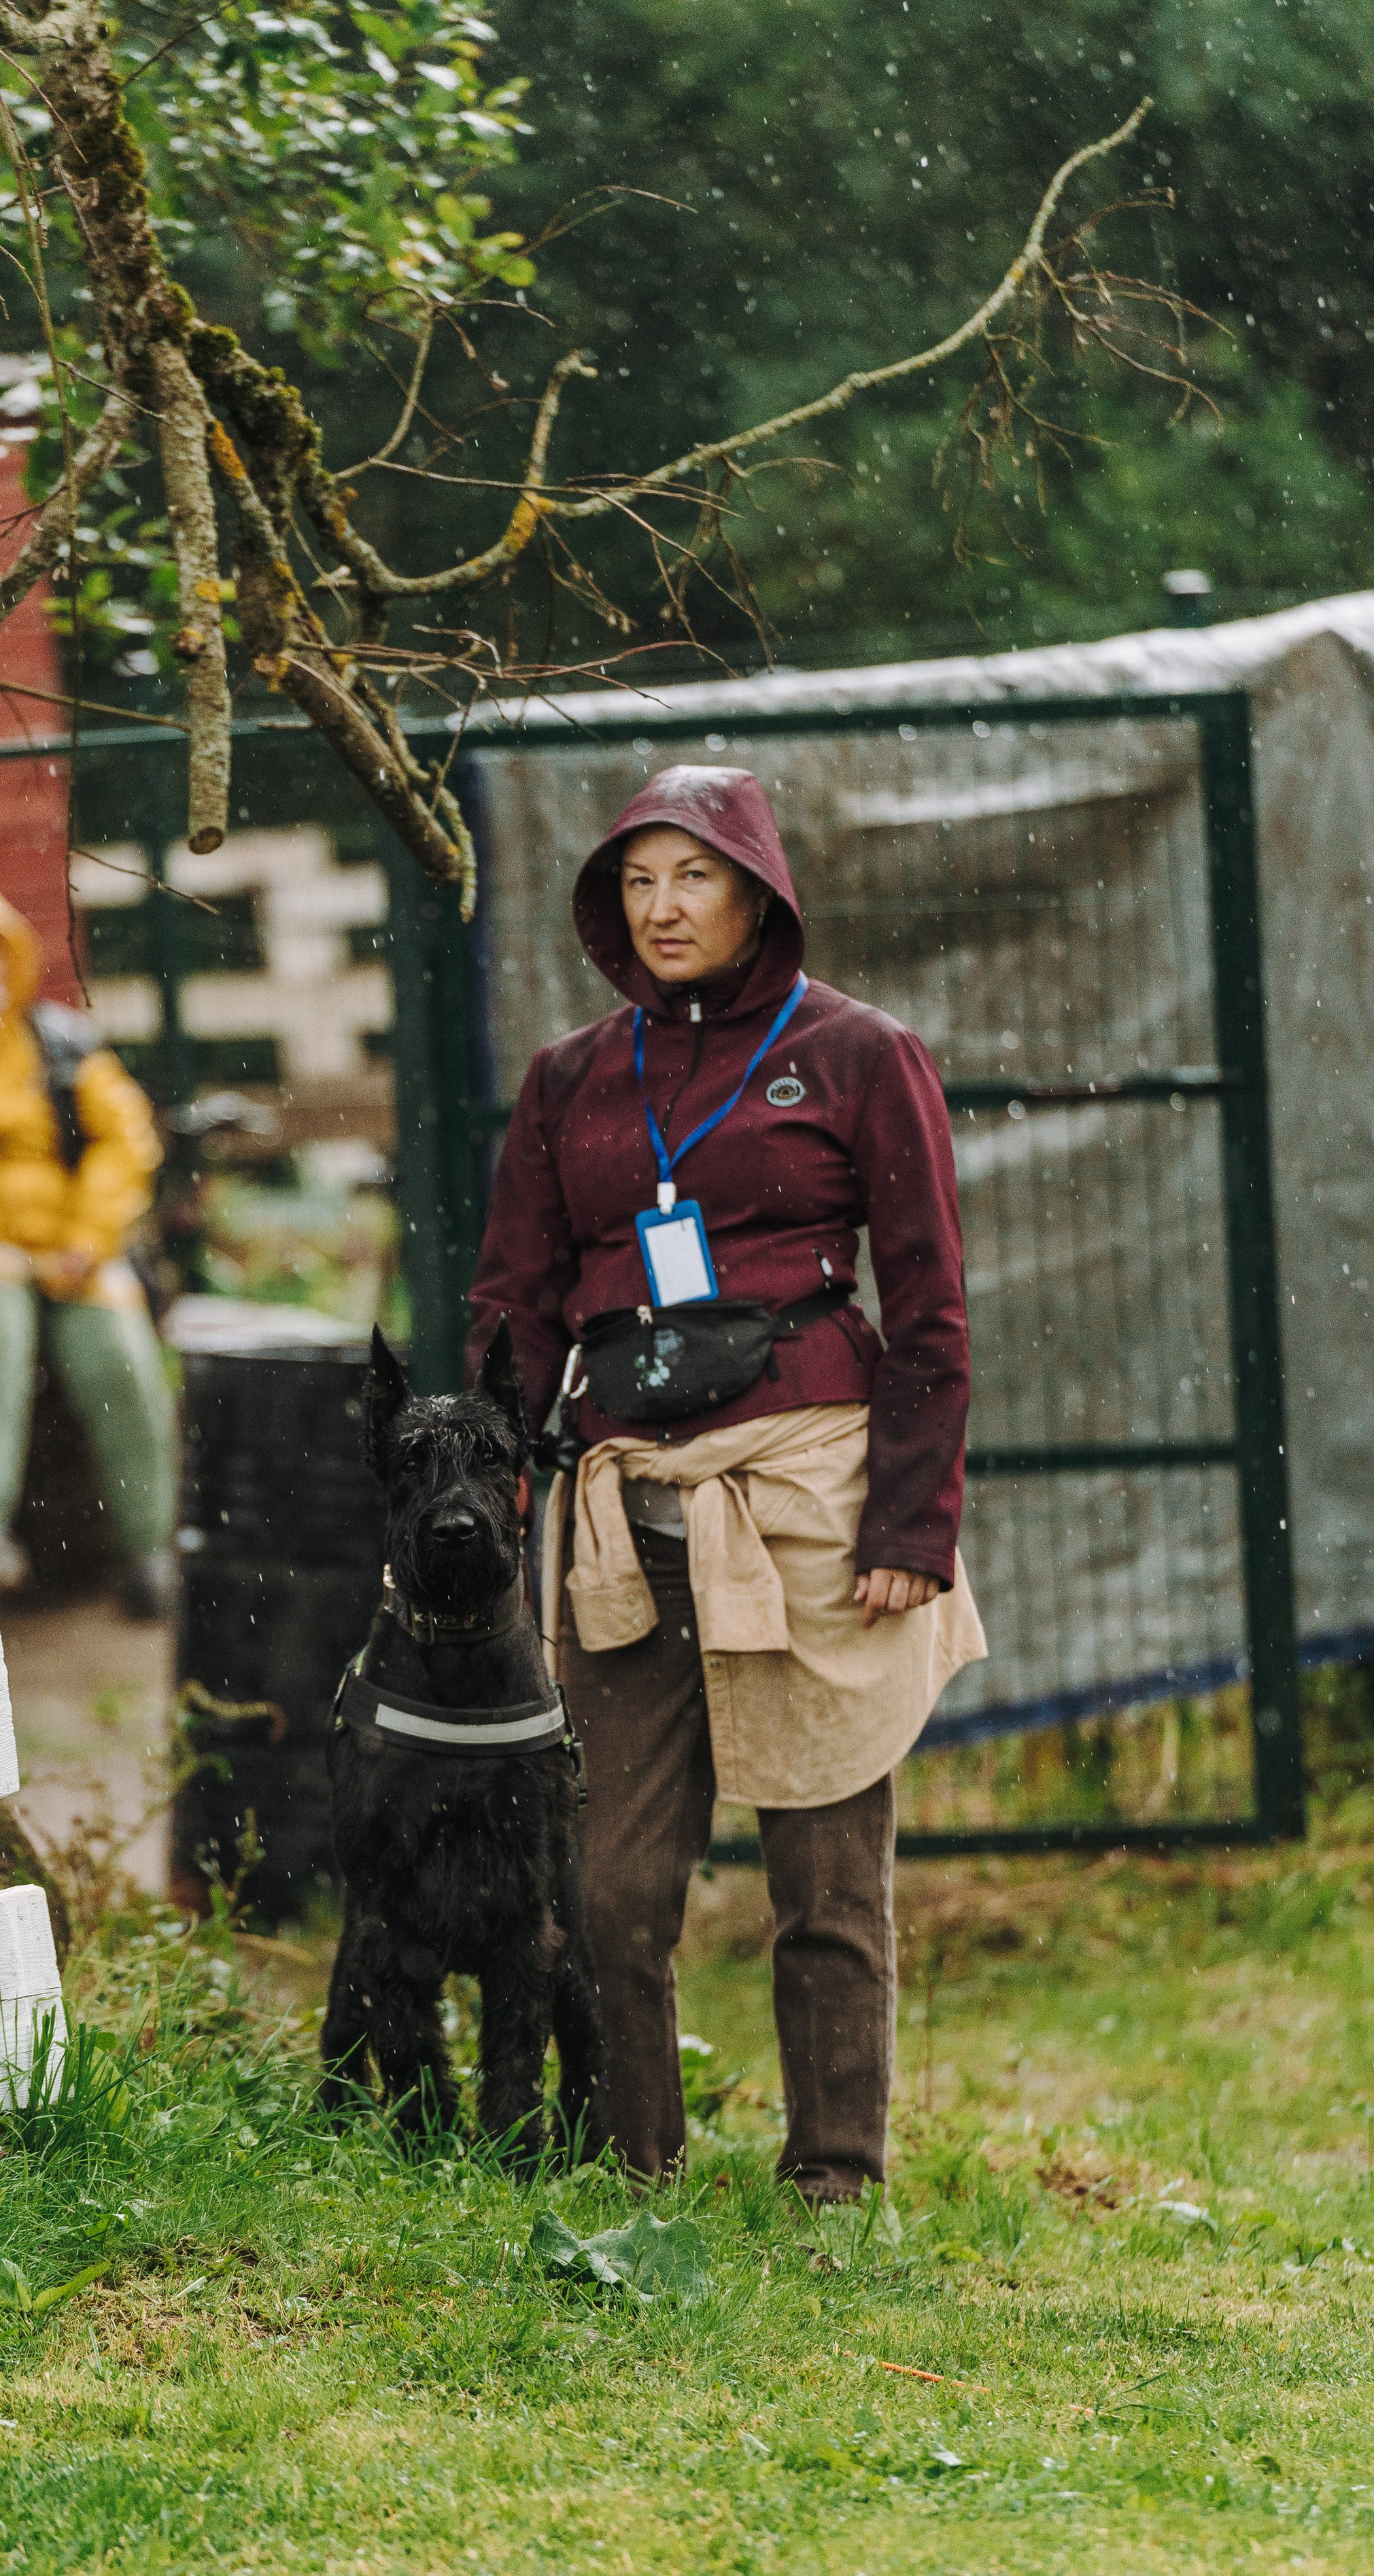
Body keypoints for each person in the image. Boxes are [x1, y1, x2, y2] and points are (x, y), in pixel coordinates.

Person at [466, 765, 986, 2197]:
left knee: (824, 1883)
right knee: (609, 1891)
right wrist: (502, 1482)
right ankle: (636, 2173)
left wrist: (911, 1524)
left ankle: (833, 2181)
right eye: (636, 881)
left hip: (810, 1506)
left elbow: (930, 1303)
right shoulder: (569, 1078)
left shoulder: (859, 1052)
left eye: (691, 876)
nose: (663, 907)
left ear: (757, 891)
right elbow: (513, 1304)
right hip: (625, 1515)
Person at [0, 873, 178, 1619]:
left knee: (120, 1357)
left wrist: (88, 1237)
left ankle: (152, 1546)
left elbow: (126, 1137)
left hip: (71, 1239)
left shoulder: (55, 1037)